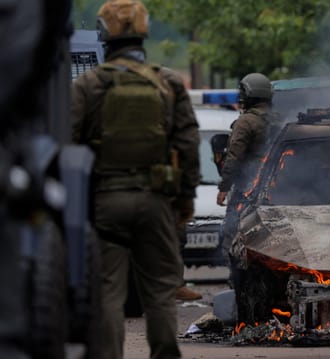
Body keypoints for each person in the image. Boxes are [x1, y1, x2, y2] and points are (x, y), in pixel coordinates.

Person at [71, 1, 200, 358]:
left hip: (105, 202)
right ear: (144, 33)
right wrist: (185, 199)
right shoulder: (168, 82)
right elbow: (188, 144)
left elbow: (68, 143)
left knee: (109, 292)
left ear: (103, 35)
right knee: (160, 292)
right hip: (156, 200)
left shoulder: (88, 84)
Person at [216, 73, 277, 253]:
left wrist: (224, 188)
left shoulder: (246, 122)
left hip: (248, 188)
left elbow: (234, 157)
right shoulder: (280, 119)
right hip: (277, 188)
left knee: (232, 235)